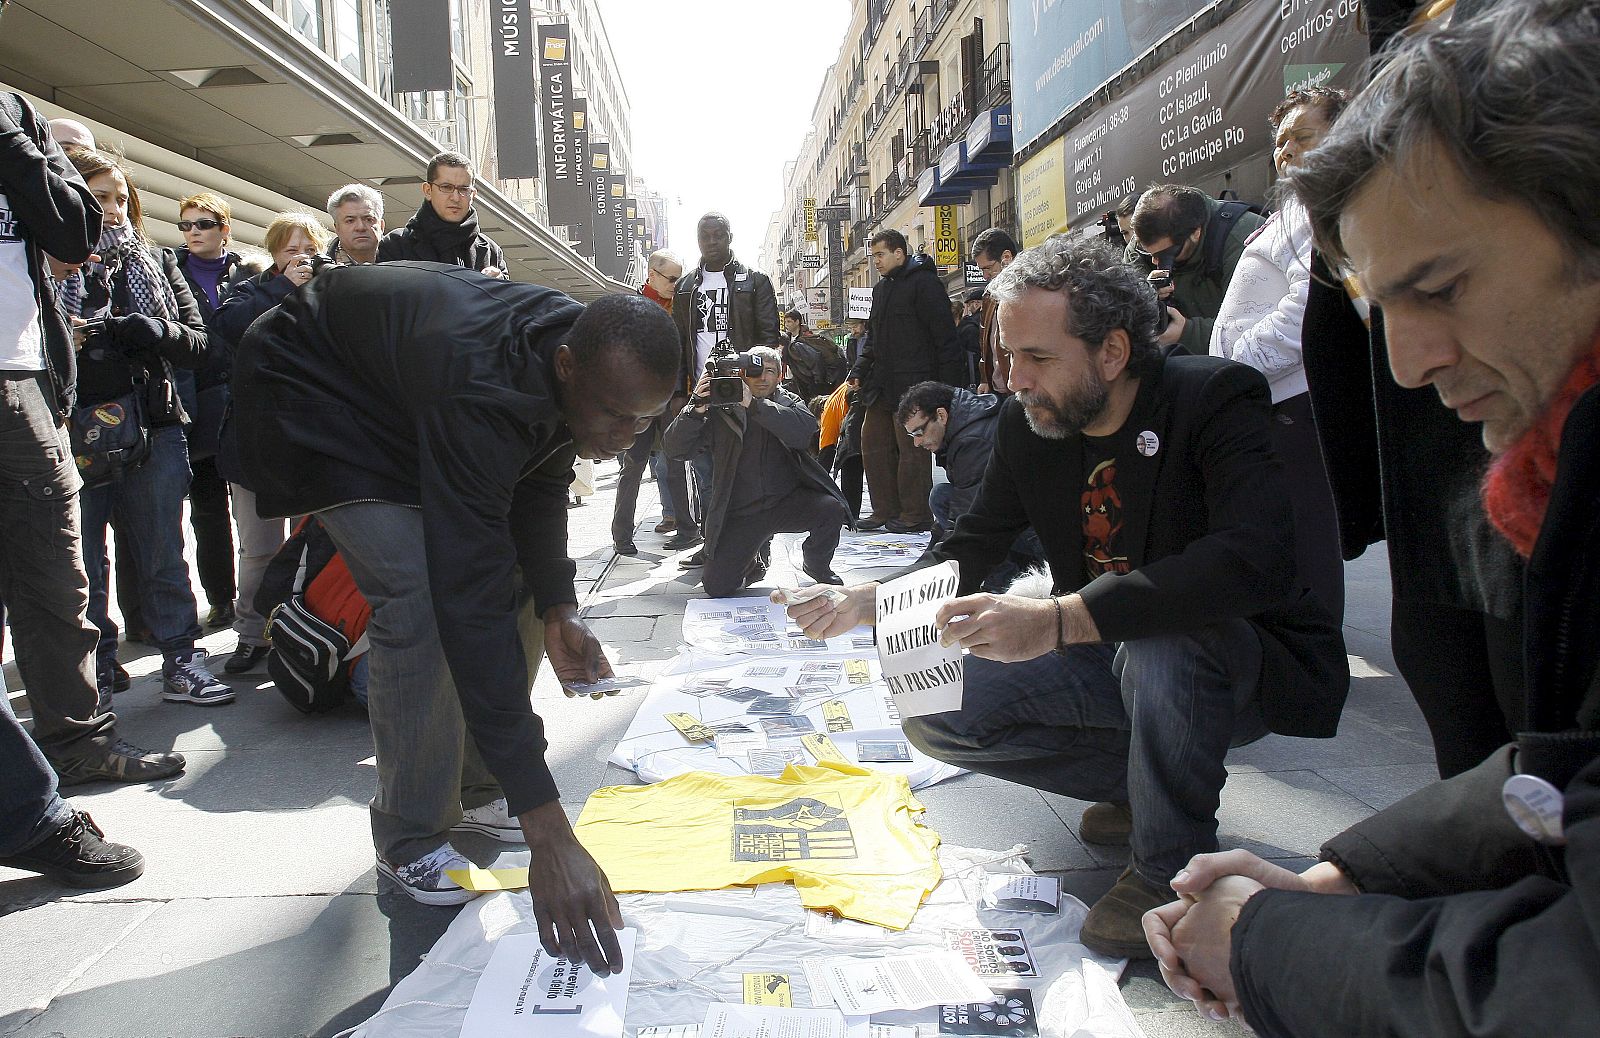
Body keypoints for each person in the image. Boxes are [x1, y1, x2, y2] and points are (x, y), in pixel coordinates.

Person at [1142, 4, 1600, 1031]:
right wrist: (1343, 878)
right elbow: (1564, 772)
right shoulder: (1558, 470)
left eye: (1439, 288)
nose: (1407, 364)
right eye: (1378, 309)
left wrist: (1264, 940)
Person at [783, 236, 1348, 959]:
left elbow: (1249, 561)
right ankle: (1144, 788)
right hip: (1097, 648)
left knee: (1163, 640)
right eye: (1008, 355)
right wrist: (871, 600)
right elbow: (975, 543)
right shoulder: (1030, 424)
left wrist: (1058, 619)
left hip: (1233, 657)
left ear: (1112, 352)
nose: (1013, 379)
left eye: (1037, 359)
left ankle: (1169, 869)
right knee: (936, 705)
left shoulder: (1212, 397)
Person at [232, 264, 679, 977]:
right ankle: (408, 835)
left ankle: (476, 788)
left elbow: (538, 482)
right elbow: (463, 596)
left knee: (521, 578)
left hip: (404, 392)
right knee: (419, 592)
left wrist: (559, 605)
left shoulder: (579, 362)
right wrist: (548, 828)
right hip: (312, 388)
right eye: (615, 416)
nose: (626, 438)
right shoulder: (484, 385)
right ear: (566, 367)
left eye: (646, 420)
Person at [1, 86, 184, 784]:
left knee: (56, 579)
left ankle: (77, 748)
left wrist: (20, 141)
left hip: (24, 380)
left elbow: (75, 233)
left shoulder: (16, 119)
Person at [63, 147, 232, 708]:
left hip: (154, 426)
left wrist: (148, 330)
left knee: (162, 549)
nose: (111, 209)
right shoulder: (49, 261)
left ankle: (181, 662)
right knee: (83, 558)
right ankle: (100, 664)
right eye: (98, 196)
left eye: (119, 197)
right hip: (76, 429)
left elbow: (199, 343)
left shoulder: (156, 262)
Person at [1208, 88, 1349, 621]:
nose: (1286, 150)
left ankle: (1316, 661)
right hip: (1268, 400)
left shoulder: (1327, 204)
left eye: (1302, 136)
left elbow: (1309, 305)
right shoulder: (1293, 207)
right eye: (1281, 140)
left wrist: (1236, 368)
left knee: (1309, 538)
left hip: (1294, 403)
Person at [214, 211, 332, 675]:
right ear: (274, 253)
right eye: (290, 249)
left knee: (312, 542)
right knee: (259, 548)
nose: (300, 258)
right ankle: (250, 634)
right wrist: (283, 287)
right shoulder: (250, 288)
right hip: (256, 442)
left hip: (312, 441)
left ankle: (306, 630)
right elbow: (226, 328)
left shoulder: (330, 290)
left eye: (308, 249)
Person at [663, 346, 848, 596]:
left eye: (769, 371)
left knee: (831, 509)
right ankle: (754, 560)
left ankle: (816, 563)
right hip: (742, 512)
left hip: (786, 502)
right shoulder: (721, 407)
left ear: (780, 376)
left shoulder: (788, 401)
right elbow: (676, 450)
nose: (762, 378)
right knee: (717, 588)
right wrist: (694, 409)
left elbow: (804, 432)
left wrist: (755, 406)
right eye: (754, 371)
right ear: (742, 374)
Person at [173, 190, 264, 631]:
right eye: (186, 225)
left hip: (245, 402)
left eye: (203, 224)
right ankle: (221, 599)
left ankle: (265, 597)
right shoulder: (170, 271)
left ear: (224, 229)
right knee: (208, 511)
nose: (193, 233)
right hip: (199, 404)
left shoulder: (249, 273)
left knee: (254, 513)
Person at [672, 212, 779, 565]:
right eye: (706, 235)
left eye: (719, 235)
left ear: (730, 236)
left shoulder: (756, 281)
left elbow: (768, 339)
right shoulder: (686, 286)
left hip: (743, 394)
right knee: (705, 474)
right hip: (703, 394)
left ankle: (755, 547)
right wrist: (678, 393)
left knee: (748, 473)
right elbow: (679, 345)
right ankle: (711, 543)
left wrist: (760, 386)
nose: (712, 241)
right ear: (697, 239)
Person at [851, 229, 966, 533]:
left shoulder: (925, 284)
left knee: (913, 448)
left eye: (880, 254)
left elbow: (945, 338)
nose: (875, 261)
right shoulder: (880, 290)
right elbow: (873, 340)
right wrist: (860, 370)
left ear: (899, 253)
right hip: (881, 385)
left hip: (915, 385)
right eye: (872, 255)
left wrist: (951, 390)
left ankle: (915, 515)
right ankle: (883, 510)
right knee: (872, 443)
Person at [612, 248, 699, 555]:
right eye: (672, 278)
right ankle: (621, 535)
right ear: (652, 275)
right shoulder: (630, 306)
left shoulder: (682, 307)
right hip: (640, 401)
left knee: (676, 464)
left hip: (673, 398)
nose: (676, 283)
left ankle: (687, 528)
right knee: (633, 466)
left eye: (680, 278)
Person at [1130, 184, 1266, 355]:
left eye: (1166, 255)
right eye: (1147, 252)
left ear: (1196, 232)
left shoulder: (1244, 242)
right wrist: (1146, 295)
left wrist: (1188, 332)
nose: (1155, 261)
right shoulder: (1145, 242)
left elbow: (1255, 329)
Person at [895, 380, 1000, 545]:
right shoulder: (958, 428)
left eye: (918, 432)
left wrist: (942, 557)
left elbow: (966, 512)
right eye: (912, 435)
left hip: (1029, 529)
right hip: (1009, 514)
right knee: (941, 495)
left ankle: (1009, 566)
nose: (917, 443)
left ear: (941, 415)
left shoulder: (972, 440)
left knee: (945, 502)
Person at [377, 151, 507, 276]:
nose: (455, 197)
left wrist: (500, 285)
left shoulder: (491, 252)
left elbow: (508, 297)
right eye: (446, 187)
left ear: (473, 195)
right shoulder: (396, 245)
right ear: (428, 190)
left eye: (463, 189)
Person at [970, 227, 1019, 394]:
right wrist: (984, 379)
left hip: (1018, 388)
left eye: (988, 268)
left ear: (1006, 257)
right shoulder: (989, 295)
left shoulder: (1027, 292)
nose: (985, 275)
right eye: (982, 269)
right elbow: (985, 341)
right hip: (997, 388)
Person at [781, 308, 846, 402]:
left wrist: (817, 383)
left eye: (789, 321)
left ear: (797, 322)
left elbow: (815, 360)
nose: (786, 325)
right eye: (785, 322)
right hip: (796, 379)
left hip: (810, 382)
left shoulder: (806, 339)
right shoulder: (787, 339)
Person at [325, 183, 384, 265]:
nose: (360, 227)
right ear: (337, 228)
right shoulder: (317, 273)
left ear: (381, 226)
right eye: (350, 221)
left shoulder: (402, 263)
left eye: (368, 219)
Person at [955, 288, 984, 390]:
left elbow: (971, 357)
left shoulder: (968, 326)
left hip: (973, 379)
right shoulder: (987, 320)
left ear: (976, 304)